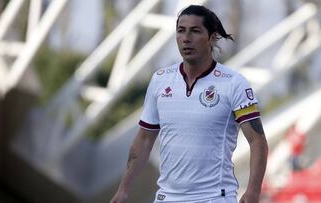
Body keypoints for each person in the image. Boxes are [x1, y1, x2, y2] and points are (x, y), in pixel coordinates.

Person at [110, 5, 268, 203]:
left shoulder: (233, 83)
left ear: (211, 37)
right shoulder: (160, 80)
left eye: (195, 31)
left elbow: (257, 141)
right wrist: (124, 189)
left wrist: (253, 191)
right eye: (181, 31)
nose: (186, 38)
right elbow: (144, 139)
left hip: (213, 197)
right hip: (166, 197)